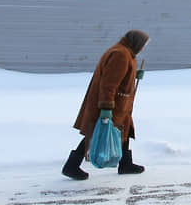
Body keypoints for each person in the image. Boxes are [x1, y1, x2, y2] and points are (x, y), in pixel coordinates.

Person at [62, 29, 149, 180]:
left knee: (124, 130)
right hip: (113, 104)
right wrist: (106, 107)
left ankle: (125, 164)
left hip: (120, 104)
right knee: (98, 132)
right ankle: (72, 166)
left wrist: (133, 75)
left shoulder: (125, 52)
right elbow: (109, 83)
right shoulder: (121, 55)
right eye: (142, 45)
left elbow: (118, 75)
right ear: (136, 42)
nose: (142, 49)